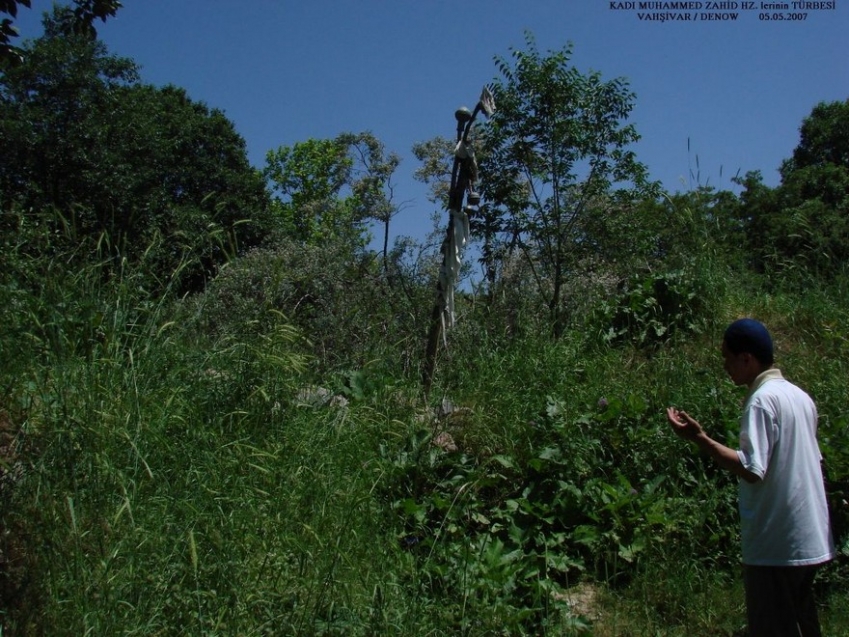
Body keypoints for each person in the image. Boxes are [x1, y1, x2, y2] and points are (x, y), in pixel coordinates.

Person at [666, 318, 835, 636]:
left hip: (777, 544)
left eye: (727, 358)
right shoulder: (800, 397)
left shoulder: (761, 400)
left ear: (746, 358)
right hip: (809, 537)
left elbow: (752, 469)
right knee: (802, 625)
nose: (725, 366)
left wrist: (699, 438)